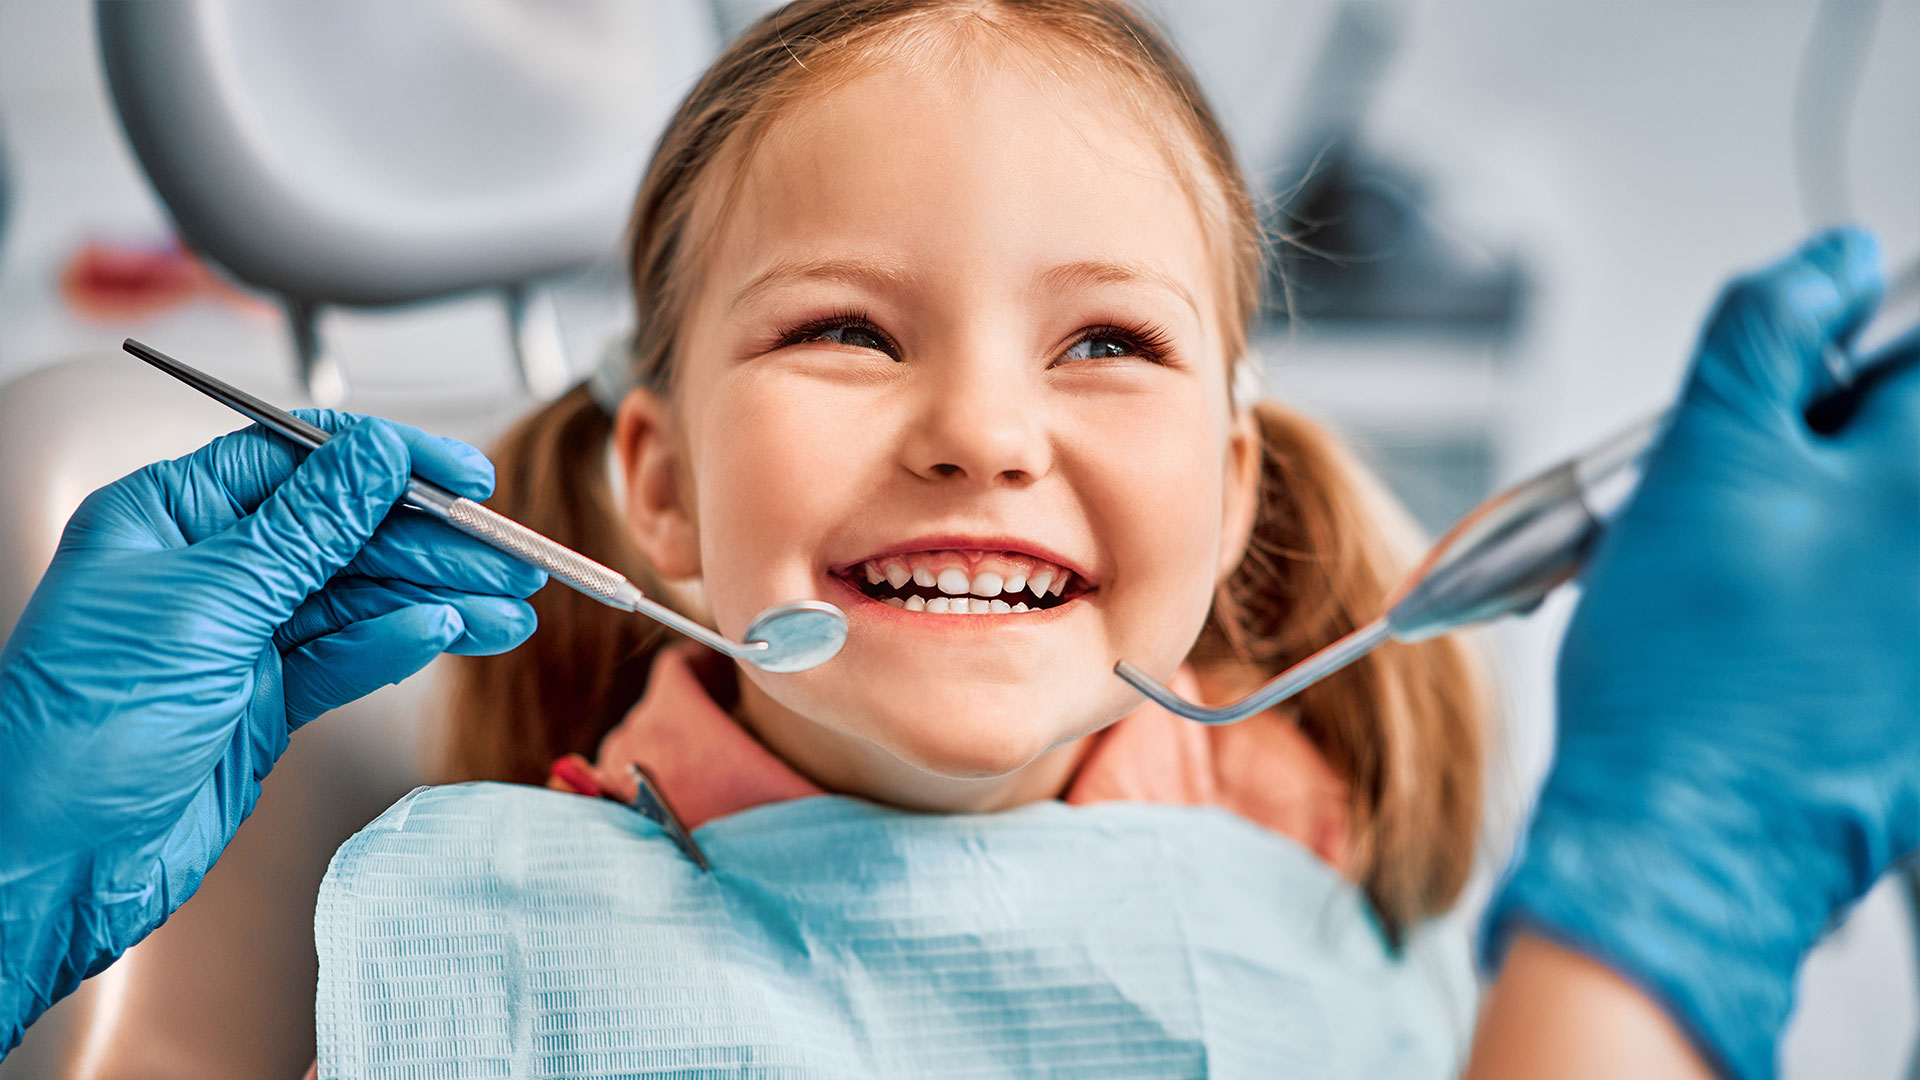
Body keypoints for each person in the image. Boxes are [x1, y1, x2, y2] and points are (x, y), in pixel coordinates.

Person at [0, 2, 1912, 1077]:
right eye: (844, 328)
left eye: (1108, 342)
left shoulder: (1318, 881)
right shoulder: (524, 948)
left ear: (1235, 486)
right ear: (656, 486)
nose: (986, 432)